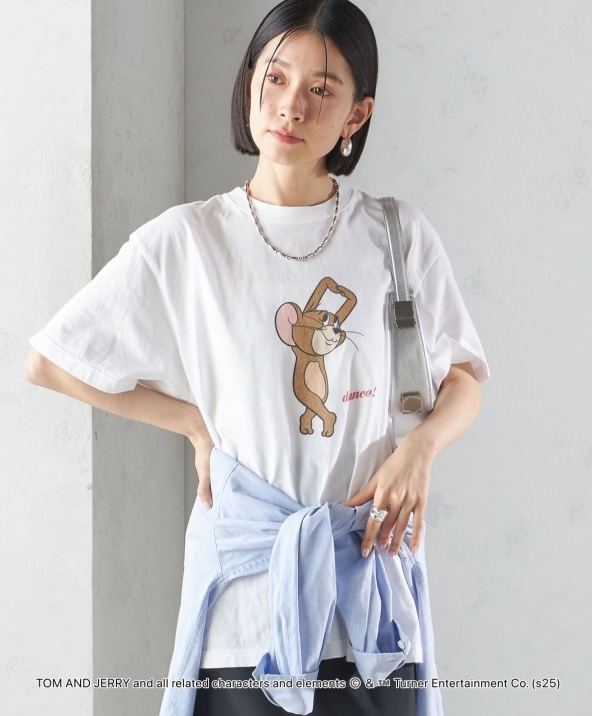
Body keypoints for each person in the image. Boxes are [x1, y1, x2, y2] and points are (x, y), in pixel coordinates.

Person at [25, 1, 489, 714]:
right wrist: (192, 425)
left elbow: (462, 376)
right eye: (275, 78)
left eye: (321, 89)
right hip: (244, 615)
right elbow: (53, 361)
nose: (291, 105)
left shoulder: (396, 235)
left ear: (357, 115)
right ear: (250, 83)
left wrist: (419, 449)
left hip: (371, 607)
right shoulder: (187, 241)